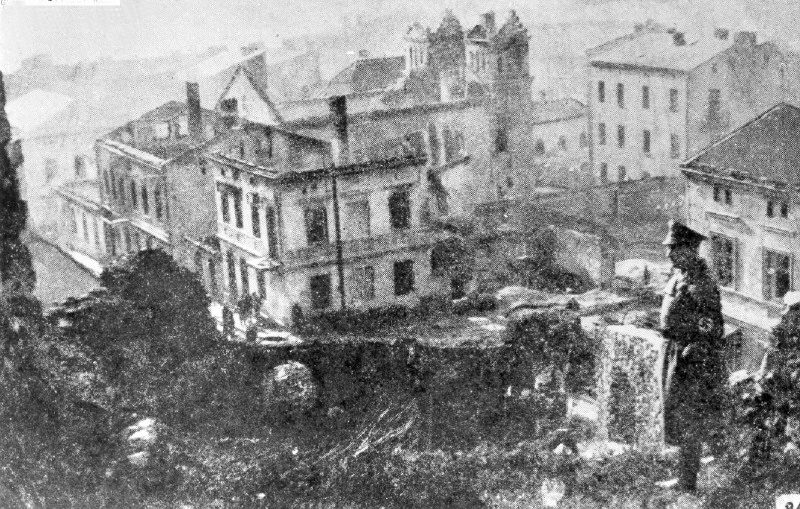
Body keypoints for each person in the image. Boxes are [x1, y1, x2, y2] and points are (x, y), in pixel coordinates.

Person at [659, 221, 726, 493]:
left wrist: (695, 346)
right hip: (674, 354)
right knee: (679, 418)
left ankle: (688, 482)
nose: (669, 254)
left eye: (674, 248)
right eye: (669, 248)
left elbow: (713, 325)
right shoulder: (681, 276)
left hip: (691, 363)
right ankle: (685, 476)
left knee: (691, 422)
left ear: (690, 250)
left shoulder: (701, 282)